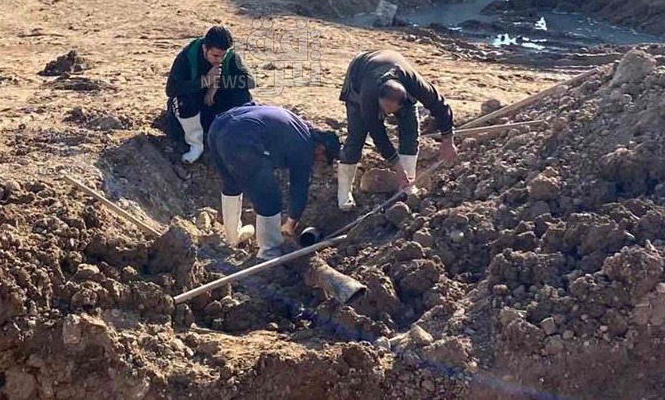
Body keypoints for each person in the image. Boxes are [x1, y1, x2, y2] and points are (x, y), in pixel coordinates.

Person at [207, 103, 341, 260]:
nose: (319, 163)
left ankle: (232, 238)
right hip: (242, 139)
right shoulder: (305, 147)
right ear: (320, 149)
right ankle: (269, 253)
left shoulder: (298, 126)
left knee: (232, 184)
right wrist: (291, 223)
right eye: (323, 160)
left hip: (218, 127)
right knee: (269, 198)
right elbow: (299, 189)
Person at [336, 49, 457, 210]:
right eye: (384, 109)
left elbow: (440, 106)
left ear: (403, 102)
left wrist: (448, 141)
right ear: (378, 99)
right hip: (360, 71)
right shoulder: (369, 94)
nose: (387, 114)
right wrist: (397, 167)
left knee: (411, 130)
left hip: (395, 70)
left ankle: (407, 184)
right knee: (356, 137)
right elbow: (378, 134)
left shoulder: (415, 84)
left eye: (392, 110)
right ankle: (343, 193)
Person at [165, 26, 255, 163]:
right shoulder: (187, 56)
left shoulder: (230, 56)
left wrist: (217, 83)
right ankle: (195, 145)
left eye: (222, 55)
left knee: (242, 96)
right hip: (190, 113)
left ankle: (238, 140)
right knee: (182, 99)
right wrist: (205, 81)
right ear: (205, 49)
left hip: (214, 108)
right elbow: (171, 89)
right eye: (215, 55)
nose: (219, 60)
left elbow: (250, 81)